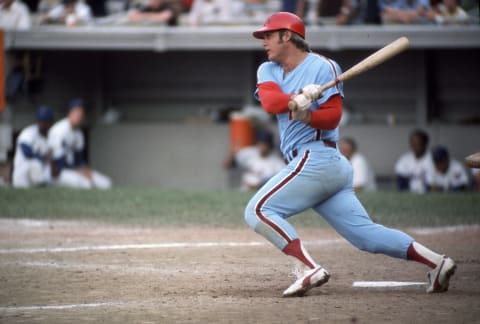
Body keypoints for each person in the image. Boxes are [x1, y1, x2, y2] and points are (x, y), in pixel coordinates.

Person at [245, 12, 456, 297]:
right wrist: (297, 98)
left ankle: (308, 268)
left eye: (268, 35)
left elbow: (332, 118)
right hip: (320, 167)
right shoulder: (268, 69)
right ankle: (437, 262)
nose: (263, 42)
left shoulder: (324, 67)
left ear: (287, 36)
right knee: (365, 236)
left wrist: (307, 113)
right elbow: (271, 102)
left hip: (317, 158)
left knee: (258, 210)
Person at [48, 99, 112, 189]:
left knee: (106, 183)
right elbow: (58, 162)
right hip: (58, 172)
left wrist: (85, 170)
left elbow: (79, 159)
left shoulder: (79, 133)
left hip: (73, 169)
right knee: (87, 184)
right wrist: (80, 171)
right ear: (70, 112)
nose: (79, 116)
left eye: (81, 113)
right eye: (77, 112)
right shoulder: (59, 130)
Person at [12, 106, 53, 188]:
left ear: (50, 123)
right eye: (41, 121)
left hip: (38, 174)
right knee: (35, 163)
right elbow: (26, 151)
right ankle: (41, 184)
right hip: (22, 173)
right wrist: (41, 157)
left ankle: (43, 184)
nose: (43, 124)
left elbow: (49, 158)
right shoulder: (29, 132)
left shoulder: (48, 138)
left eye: (46, 121)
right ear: (38, 121)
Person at [395, 129, 432, 193]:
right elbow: (401, 182)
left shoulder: (432, 159)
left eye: (418, 144)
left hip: (427, 193)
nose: (415, 147)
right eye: (413, 143)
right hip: (409, 194)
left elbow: (433, 183)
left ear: (425, 144)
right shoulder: (404, 160)